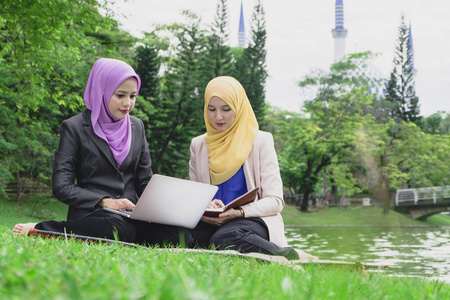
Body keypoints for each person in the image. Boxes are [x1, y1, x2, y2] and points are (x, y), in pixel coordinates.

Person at [12, 58, 151, 242]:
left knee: (180, 233)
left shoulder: (137, 126)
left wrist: (162, 208)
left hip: (130, 216)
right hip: (94, 214)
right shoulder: (74, 127)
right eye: (120, 95)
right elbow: (62, 186)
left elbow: (144, 180)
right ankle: (42, 229)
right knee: (119, 229)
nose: (128, 103)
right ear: (102, 91)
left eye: (132, 96)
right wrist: (106, 202)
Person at [188, 76, 318, 261]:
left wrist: (240, 212)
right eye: (211, 109)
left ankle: (292, 256)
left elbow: (275, 200)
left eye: (226, 109)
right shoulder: (199, 145)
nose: (218, 117)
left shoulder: (260, 141)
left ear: (239, 108)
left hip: (251, 220)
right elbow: (195, 195)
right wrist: (204, 206)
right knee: (175, 233)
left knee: (225, 237)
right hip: (211, 222)